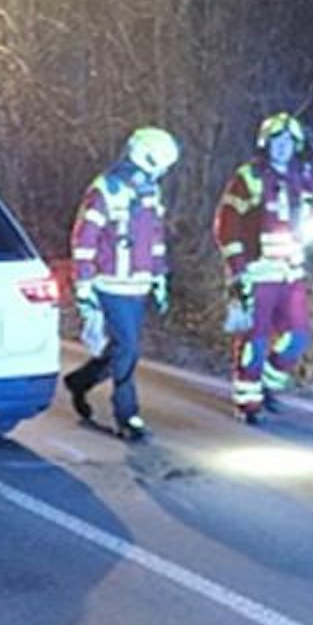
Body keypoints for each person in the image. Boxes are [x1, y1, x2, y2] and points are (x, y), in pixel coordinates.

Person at [64, 126, 180, 443]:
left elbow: (154, 238)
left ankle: (81, 381)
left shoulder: (149, 192)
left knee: (120, 349)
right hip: (110, 285)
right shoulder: (106, 189)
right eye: (161, 165)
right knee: (128, 349)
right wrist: (84, 285)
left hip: (137, 285)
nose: (162, 173)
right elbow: (85, 240)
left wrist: (158, 276)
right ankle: (126, 415)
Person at [212, 112, 313, 424]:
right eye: (276, 141)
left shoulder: (303, 176)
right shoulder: (249, 177)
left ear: (296, 145)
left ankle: (268, 385)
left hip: (291, 274)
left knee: (297, 337)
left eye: (288, 141)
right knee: (255, 341)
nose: (282, 147)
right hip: (257, 273)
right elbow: (226, 225)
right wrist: (237, 267)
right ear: (266, 144)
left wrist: (310, 230)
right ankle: (248, 402)